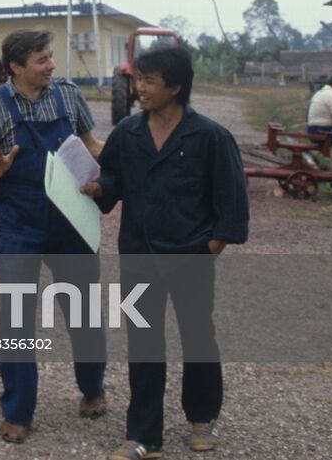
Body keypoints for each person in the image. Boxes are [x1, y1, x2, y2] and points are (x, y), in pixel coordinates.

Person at [82, 45, 249, 459]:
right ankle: (143, 436)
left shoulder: (209, 136)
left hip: (191, 255)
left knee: (198, 337)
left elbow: (231, 204)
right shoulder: (128, 133)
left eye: (149, 81)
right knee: (143, 343)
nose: (139, 88)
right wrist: (99, 189)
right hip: (138, 254)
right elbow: (114, 179)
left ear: (174, 87)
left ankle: (203, 418)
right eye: (139, 79)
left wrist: (210, 247)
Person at [0, 28, 107, 444]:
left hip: (72, 218)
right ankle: (17, 410)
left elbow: (91, 146)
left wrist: (114, 175)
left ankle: (93, 387)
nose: (51, 66)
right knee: (15, 319)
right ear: (16, 66)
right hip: (20, 221)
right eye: (42, 60)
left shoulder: (68, 95)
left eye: (50, 58)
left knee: (82, 310)